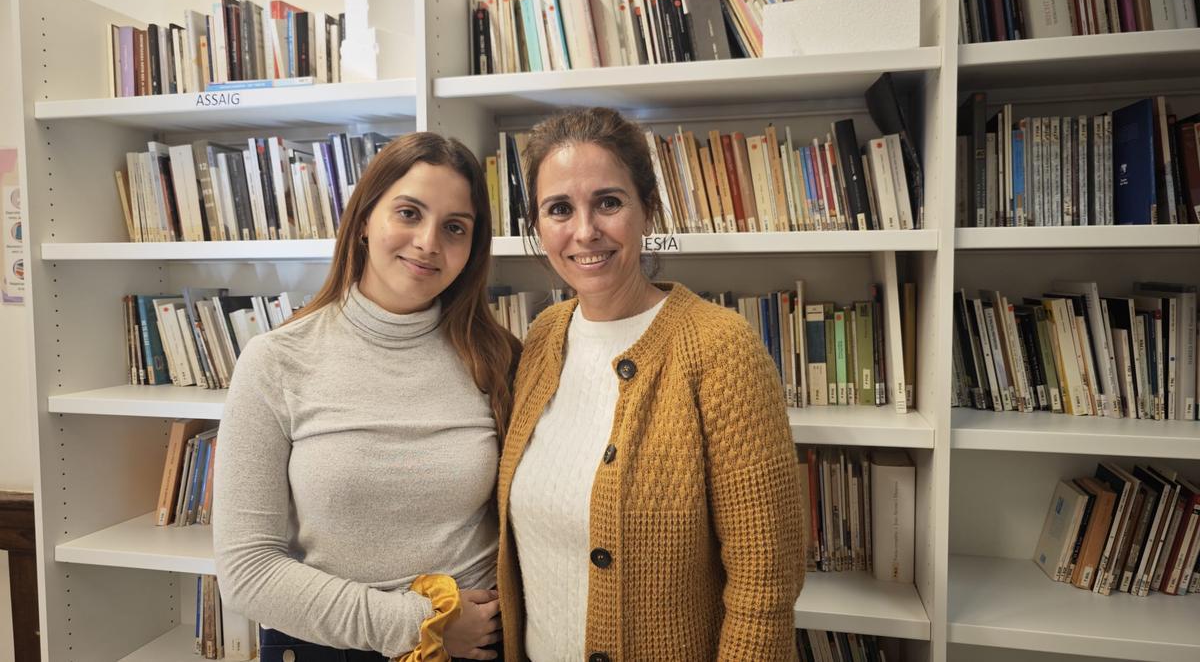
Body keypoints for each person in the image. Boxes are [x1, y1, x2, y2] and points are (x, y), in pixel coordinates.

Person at [497, 107, 806, 662]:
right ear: (537, 226)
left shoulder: (719, 348)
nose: (585, 231)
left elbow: (766, 583)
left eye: (609, 203)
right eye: (559, 209)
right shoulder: (542, 337)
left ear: (647, 211)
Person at [213, 132, 517, 662]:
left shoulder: (500, 359)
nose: (428, 242)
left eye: (454, 228)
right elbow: (246, 571)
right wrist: (428, 625)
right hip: (334, 647)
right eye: (408, 213)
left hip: (478, 647)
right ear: (362, 222)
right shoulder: (276, 360)